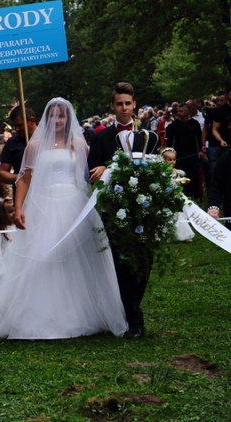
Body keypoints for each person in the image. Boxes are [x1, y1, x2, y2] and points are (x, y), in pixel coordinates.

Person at [0, 97, 128, 340]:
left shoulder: (78, 144)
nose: (58, 120)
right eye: (53, 115)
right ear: (46, 118)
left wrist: (104, 169)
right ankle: (40, 317)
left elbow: (89, 173)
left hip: (73, 203)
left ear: (68, 118)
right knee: (44, 258)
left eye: (62, 115)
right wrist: (19, 208)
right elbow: (24, 178)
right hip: (43, 205)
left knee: (75, 258)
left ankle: (80, 314)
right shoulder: (35, 145)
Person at [88, 83, 159, 339]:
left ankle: (132, 309)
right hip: (115, 209)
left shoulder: (148, 134)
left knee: (144, 261)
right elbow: (92, 171)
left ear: (134, 105)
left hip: (145, 208)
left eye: (128, 103)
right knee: (120, 262)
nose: (124, 108)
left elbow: (157, 166)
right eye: (119, 104)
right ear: (112, 107)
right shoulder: (101, 137)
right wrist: (106, 170)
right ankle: (133, 317)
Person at [166, 104, 202, 198]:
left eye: (181, 111)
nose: (179, 113)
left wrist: (201, 150)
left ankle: (193, 194)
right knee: (180, 173)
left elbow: (199, 138)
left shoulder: (194, 124)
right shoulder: (174, 125)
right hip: (179, 154)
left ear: (187, 112)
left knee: (192, 175)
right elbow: (170, 140)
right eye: (178, 111)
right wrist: (169, 152)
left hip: (192, 154)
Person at [161, 148, 195, 241]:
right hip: (165, 196)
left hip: (177, 195)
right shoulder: (161, 173)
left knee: (179, 213)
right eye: (169, 160)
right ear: (163, 160)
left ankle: (183, 234)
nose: (172, 162)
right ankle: (167, 234)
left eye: (174, 159)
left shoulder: (178, 172)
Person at [0, 106, 38, 186]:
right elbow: (2, 174)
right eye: (15, 126)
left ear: (32, 121)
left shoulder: (49, 139)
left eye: (20, 125)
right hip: (22, 192)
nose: (17, 129)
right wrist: (22, 177)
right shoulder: (12, 142)